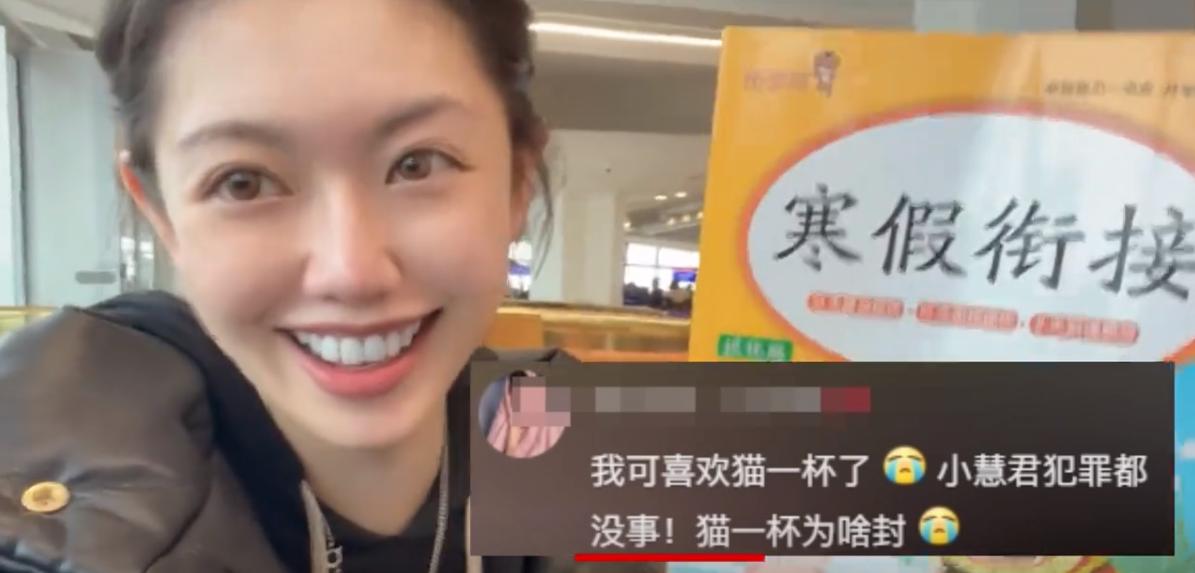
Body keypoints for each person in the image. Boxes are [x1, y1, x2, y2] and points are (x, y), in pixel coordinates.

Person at [0, 0, 584, 571]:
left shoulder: (583, 435)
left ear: (517, 183)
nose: (351, 274)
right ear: (162, 216)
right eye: (244, 183)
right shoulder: (40, 533)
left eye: (418, 164)